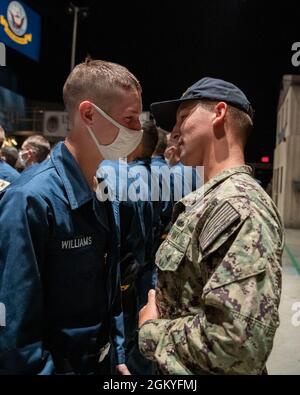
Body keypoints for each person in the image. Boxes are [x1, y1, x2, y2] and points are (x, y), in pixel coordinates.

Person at [0, 58, 143, 375]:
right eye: (130, 119)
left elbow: (111, 290)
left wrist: (117, 352)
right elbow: (15, 331)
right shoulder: (30, 200)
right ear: (89, 114)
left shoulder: (104, 191)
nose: (137, 131)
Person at [138, 77, 284, 375]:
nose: (174, 132)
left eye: (182, 117)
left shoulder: (239, 207)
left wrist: (151, 331)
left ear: (219, 114)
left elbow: (238, 344)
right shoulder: (213, 200)